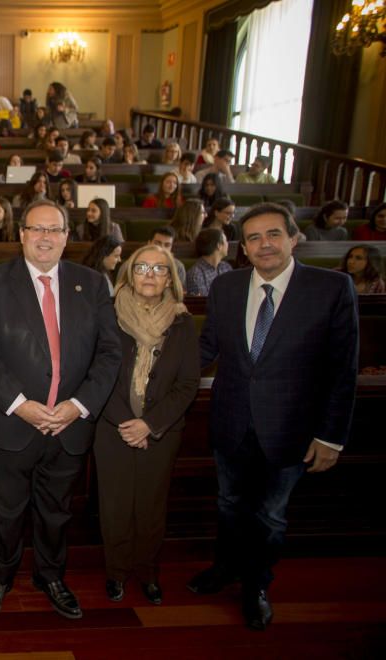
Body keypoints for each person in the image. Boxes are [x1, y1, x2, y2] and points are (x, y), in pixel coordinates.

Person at [192, 202, 359, 631]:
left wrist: (331, 437)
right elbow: (207, 347)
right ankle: (224, 568)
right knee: (229, 503)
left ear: (293, 238)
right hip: (231, 422)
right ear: (242, 247)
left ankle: (257, 586)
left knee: (270, 515)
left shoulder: (332, 288)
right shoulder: (227, 287)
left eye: (272, 235)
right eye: (253, 238)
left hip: (292, 429)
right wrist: (151, 374)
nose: (263, 244)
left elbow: (343, 370)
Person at [0, 199, 121, 620]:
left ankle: (51, 575)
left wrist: (78, 405)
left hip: (69, 425)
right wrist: (21, 406)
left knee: (56, 510)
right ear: (21, 235)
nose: (45, 237)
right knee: (3, 510)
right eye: (36, 229)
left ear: (67, 237)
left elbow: (109, 354)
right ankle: (0, 575)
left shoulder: (92, 285)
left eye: (54, 229)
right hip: (8, 423)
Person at [94, 245, 198, 605]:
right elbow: (98, 374)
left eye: (159, 268)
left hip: (161, 431)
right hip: (113, 428)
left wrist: (149, 424)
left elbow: (187, 383)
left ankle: (148, 572)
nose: (150, 274)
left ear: (170, 277)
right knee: (116, 506)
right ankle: (117, 572)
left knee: (152, 507)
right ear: (129, 273)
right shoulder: (107, 315)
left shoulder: (182, 321)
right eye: (142, 267)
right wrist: (127, 422)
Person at [186, 227, 232, 296]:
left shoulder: (226, 267)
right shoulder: (196, 274)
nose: (228, 244)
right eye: (226, 241)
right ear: (219, 246)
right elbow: (203, 302)